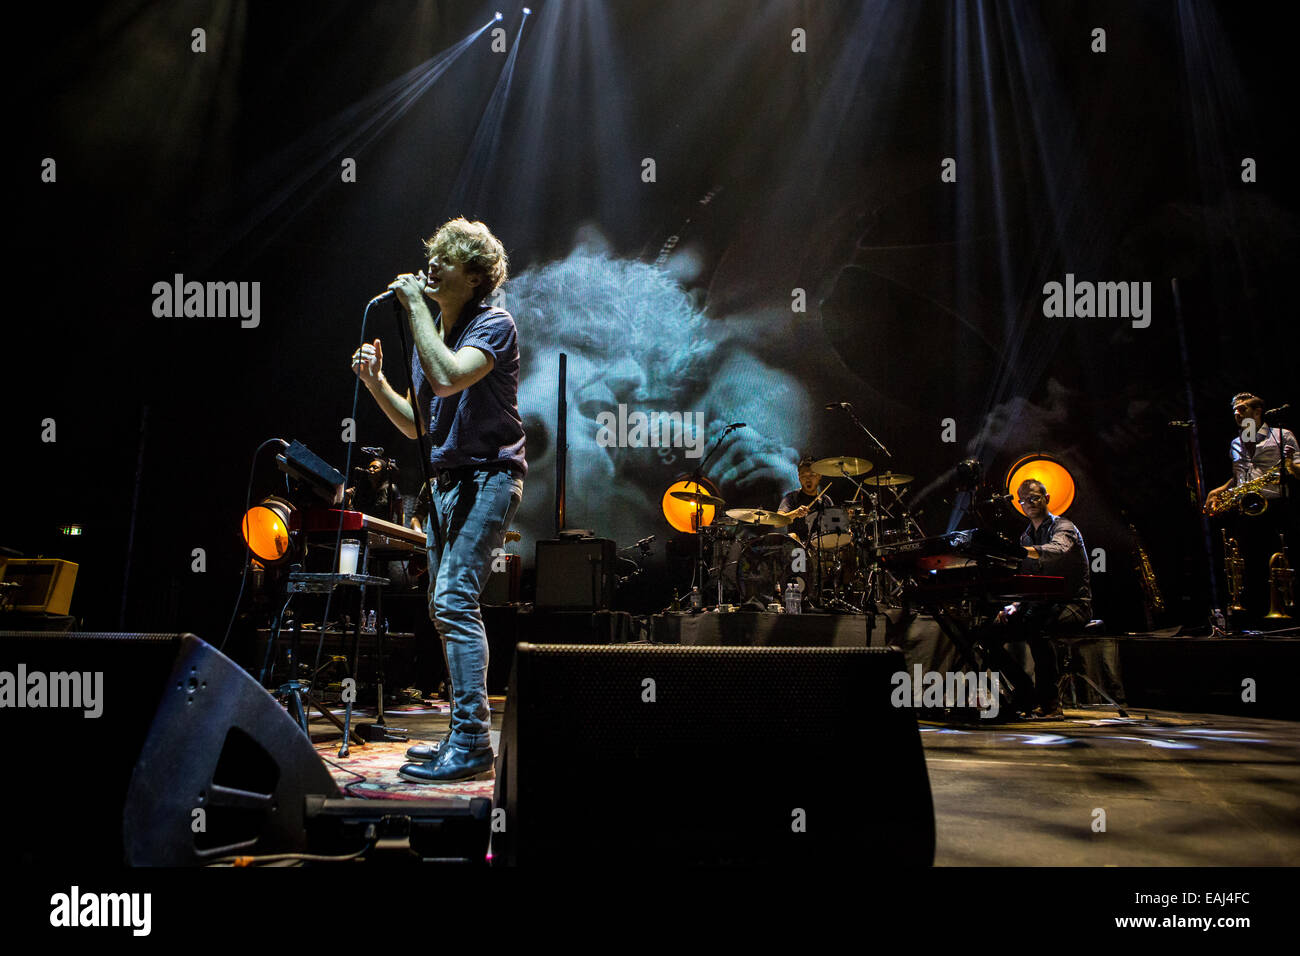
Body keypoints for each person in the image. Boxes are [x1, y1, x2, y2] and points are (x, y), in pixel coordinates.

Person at [350, 217, 524, 783]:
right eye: (434, 256)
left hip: (488, 480)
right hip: (445, 488)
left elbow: (450, 378)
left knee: (453, 601)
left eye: (446, 259)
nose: (432, 265)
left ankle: (474, 740)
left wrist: (418, 315)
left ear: (474, 276)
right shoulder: (437, 340)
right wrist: (378, 382)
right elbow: (417, 428)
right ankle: (460, 734)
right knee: (440, 607)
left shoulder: (494, 325)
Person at [993, 478, 1092, 718]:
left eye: (1034, 498)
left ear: (1046, 499)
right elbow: (1026, 579)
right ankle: (1026, 693)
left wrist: (1017, 553)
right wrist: (1012, 606)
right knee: (989, 634)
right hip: (1039, 606)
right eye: (1024, 500)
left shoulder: (1064, 527)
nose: (1029, 503)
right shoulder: (1026, 537)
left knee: (1037, 629)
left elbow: (1057, 550)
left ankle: (1050, 703)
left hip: (1074, 605)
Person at [1205, 392, 1299, 621]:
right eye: (1235, 410)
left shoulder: (1281, 435)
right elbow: (1240, 476)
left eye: (1244, 409)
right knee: (1249, 564)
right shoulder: (1236, 442)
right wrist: (1221, 489)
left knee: (1281, 562)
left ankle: (1290, 614)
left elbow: (1298, 469)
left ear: (1258, 412)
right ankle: (1255, 616)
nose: (1238, 413)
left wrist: (1288, 464)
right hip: (1247, 507)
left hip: (1275, 505)